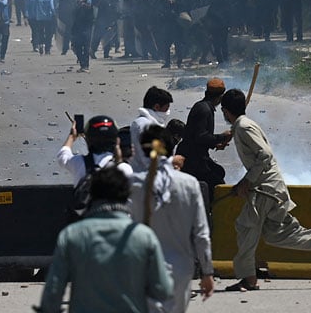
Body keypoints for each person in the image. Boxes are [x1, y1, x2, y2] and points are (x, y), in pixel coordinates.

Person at [220, 89, 311, 292]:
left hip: (264, 189)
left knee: (245, 227)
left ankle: (248, 279)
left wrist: (247, 181)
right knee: (278, 233)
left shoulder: (243, 127)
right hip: (271, 187)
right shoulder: (242, 125)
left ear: (225, 110)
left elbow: (265, 155)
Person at [36, 167, 173, 313]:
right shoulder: (144, 236)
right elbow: (163, 290)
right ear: (126, 195)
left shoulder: (71, 235)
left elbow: (52, 294)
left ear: (92, 195)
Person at [130, 125, 215, 312]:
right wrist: (207, 272)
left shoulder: (133, 184)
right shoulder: (189, 184)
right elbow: (201, 233)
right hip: (180, 270)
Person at [178, 78, 232, 202]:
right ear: (220, 97)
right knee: (217, 184)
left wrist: (215, 144)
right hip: (193, 159)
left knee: (219, 172)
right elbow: (200, 137)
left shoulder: (204, 106)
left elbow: (200, 137)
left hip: (197, 155)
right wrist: (222, 136)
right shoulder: (204, 109)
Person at [57, 115, 133, 188]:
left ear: (88, 140)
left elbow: (63, 156)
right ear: (116, 140)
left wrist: (72, 136)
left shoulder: (79, 162)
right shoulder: (125, 169)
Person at [129, 86, 174, 172]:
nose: (167, 112)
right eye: (166, 108)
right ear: (156, 107)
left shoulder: (143, 122)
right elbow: (149, 156)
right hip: (147, 174)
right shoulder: (145, 125)